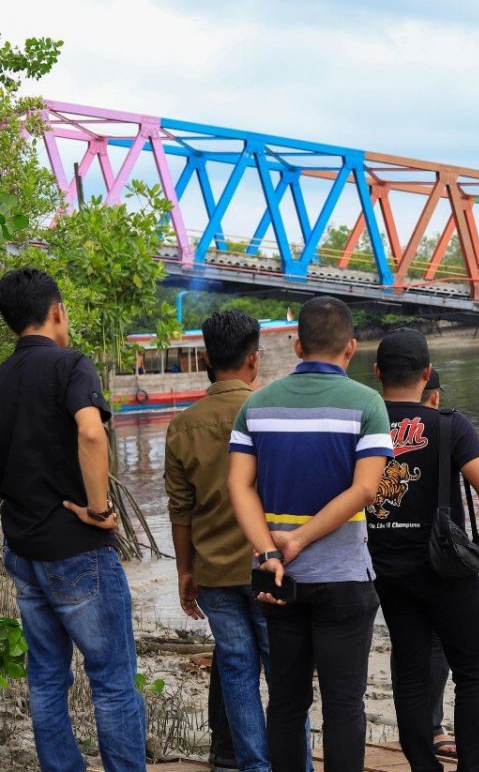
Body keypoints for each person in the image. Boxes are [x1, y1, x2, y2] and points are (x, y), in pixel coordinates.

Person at [227, 296, 392, 772]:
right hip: (344, 577)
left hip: (279, 580)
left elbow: (239, 486)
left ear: (298, 345)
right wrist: (301, 539)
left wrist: (269, 551)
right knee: (344, 705)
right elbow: (364, 489)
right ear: (352, 348)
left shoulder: (256, 405)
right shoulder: (367, 404)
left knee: (286, 702)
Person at [0, 267, 146, 771]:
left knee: (44, 679)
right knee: (111, 679)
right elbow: (90, 433)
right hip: (78, 548)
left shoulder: (1, 378)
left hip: (22, 549)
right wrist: (100, 509)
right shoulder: (70, 365)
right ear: (57, 311)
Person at [367, 329, 479, 772]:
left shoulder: (362, 424)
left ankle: (423, 767)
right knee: (472, 674)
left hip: (386, 568)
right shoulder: (449, 423)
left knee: (410, 676)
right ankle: (474, 766)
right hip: (446, 570)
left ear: (377, 374)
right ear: (427, 373)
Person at [166, 309, 272, 772]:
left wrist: (184, 573)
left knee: (235, 669)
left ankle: (252, 765)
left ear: (206, 358)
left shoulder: (182, 425)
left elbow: (180, 511)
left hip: (212, 571)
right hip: (270, 565)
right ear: (255, 359)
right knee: (283, 671)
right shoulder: (272, 413)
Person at [418, 369, 457, 757]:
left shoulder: (377, 421)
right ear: (433, 395)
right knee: (438, 646)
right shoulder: (446, 426)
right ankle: (433, 727)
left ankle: (422, 724)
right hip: (437, 554)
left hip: (383, 552)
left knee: (408, 643)